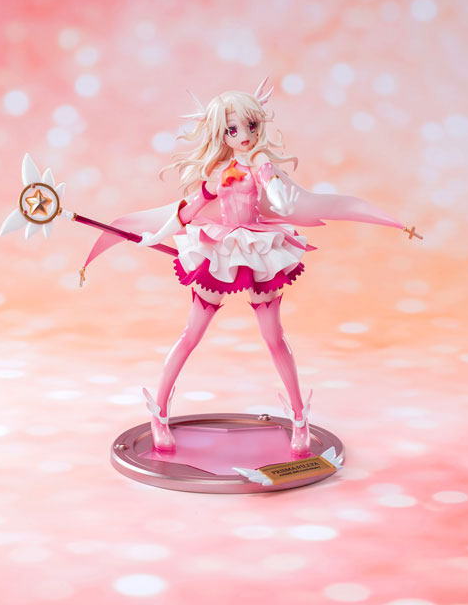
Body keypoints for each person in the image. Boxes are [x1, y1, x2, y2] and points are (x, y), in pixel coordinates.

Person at [83, 78, 409, 456]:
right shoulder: (217, 173)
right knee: (191, 334)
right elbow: (186, 212)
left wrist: (278, 192)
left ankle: (299, 417)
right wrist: (152, 236)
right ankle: (159, 413)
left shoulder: (260, 163)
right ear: (221, 133)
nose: (245, 135)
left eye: (251, 126)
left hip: (257, 248)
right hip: (221, 250)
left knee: (273, 336)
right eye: (234, 129)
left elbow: (276, 194)